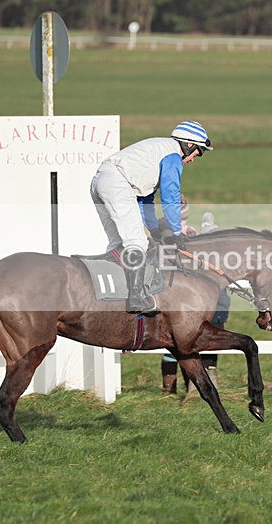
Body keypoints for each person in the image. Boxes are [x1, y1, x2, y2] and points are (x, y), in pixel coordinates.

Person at [90, 121, 212, 314]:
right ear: (189, 145)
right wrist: (177, 232)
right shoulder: (173, 155)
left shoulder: (159, 151)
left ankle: (115, 293)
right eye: (199, 152)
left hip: (101, 182)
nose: (194, 159)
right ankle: (136, 298)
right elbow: (170, 195)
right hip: (117, 183)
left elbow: (145, 200)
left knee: (118, 243)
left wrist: (154, 229)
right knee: (137, 242)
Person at [160, 204, 230, 394]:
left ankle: (199, 383)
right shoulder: (167, 234)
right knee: (177, 341)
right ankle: (170, 387)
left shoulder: (194, 242)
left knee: (204, 338)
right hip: (180, 296)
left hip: (201, 299)